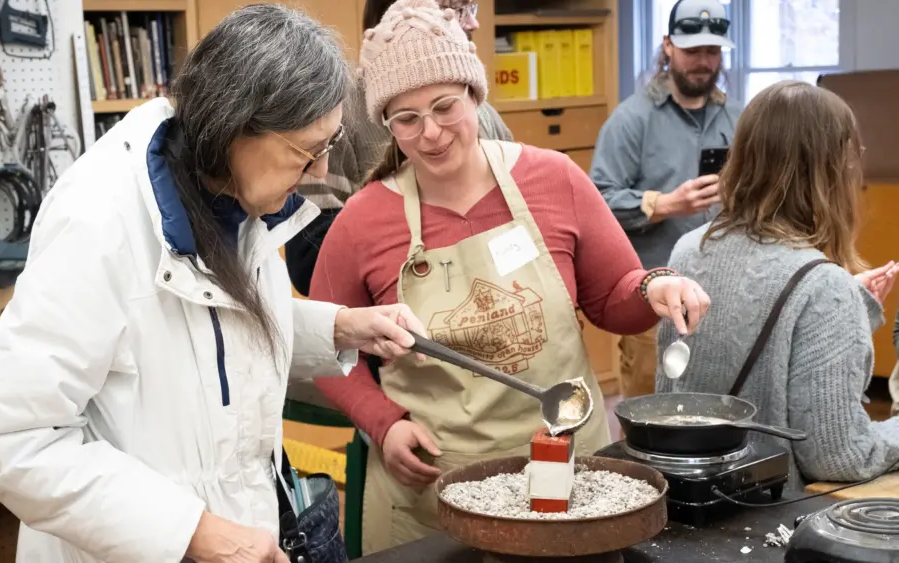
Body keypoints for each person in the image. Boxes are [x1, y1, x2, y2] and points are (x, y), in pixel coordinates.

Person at [0, 6, 426, 563]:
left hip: (240, 528)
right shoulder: (98, 226)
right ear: (233, 127)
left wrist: (340, 328)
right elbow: (12, 439)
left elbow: (208, 337)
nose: (322, 172)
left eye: (329, 143)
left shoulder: (235, 197)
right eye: (308, 150)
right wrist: (191, 532)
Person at [307, 0, 712, 554]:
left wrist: (656, 288)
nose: (430, 133)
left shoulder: (555, 179)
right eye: (407, 119)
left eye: (445, 106)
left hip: (572, 472)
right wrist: (385, 422)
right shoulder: (363, 221)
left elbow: (614, 297)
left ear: (476, 93)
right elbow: (324, 343)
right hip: (436, 490)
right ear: (386, 125)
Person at [656, 80, 899, 491]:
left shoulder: (686, 252)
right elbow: (839, 456)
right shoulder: (824, 287)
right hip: (768, 526)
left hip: (689, 507)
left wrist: (848, 304)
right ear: (832, 170)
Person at [284, 0, 513, 298]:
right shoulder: (340, 119)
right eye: (455, 9)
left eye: (473, 8)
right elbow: (308, 267)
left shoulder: (484, 117)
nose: (472, 24)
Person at [589, 0, 742, 400]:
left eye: (712, 52)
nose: (704, 62)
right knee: (646, 409)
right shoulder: (630, 120)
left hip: (724, 297)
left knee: (715, 407)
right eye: (693, 51)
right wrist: (666, 204)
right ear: (668, 47)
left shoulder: (737, 119)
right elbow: (599, 203)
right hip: (653, 302)